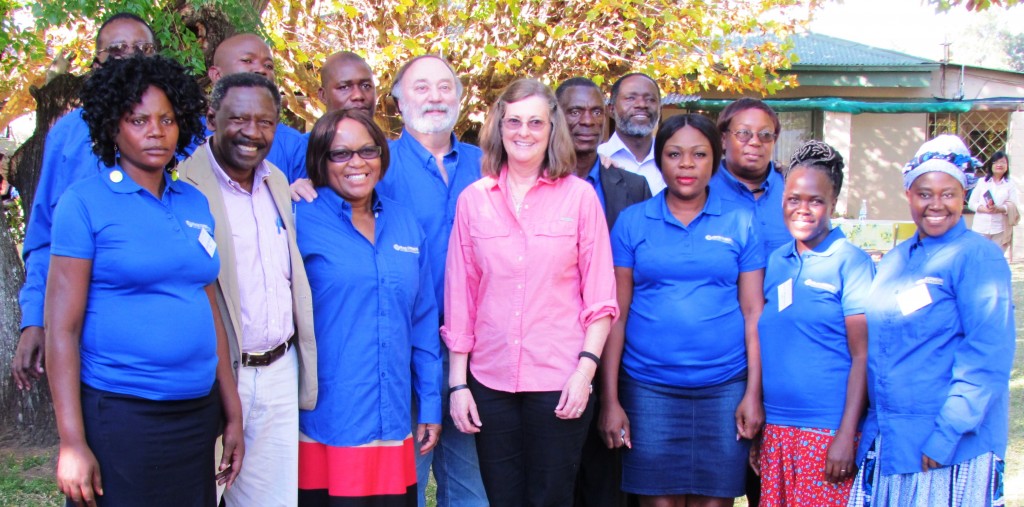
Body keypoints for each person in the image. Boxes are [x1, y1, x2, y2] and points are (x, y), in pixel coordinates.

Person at [45, 54, 243, 507]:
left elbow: (207, 306)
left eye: (167, 119)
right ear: (112, 127)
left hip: (196, 413)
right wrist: (72, 441)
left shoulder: (193, 202)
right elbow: (62, 328)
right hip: (123, 415)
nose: (156, 131)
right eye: (139, 120)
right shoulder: (86, 203)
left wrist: (231, 412)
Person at [444, 78, 618, 507]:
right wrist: (457, 384)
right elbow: (461, 297)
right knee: (502, 500)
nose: (524, 132)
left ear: (551, 128)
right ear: (499, 128)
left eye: (535, 122)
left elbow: (601, 298)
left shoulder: (580, 198)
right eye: (514, 121)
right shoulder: (473, 201)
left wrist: (585, 373)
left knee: (551, 499)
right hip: (490, 380)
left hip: (559, 380)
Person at [601, 113, 764, 507]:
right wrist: (610, 400)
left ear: (716, 159)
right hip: (648, 389)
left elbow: (754, 313)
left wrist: (753, 394)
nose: (687, 165)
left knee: (715, 501)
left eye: (699, 154)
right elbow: (616, 314)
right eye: (675, 154)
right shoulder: (632, 222)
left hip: (724, 387)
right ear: (660, 161)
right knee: (657, 503)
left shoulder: (741, 221)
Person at [176, 72, 318, 507]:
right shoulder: (181, 185)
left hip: (278, 370)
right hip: (217, 375)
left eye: (266, 122)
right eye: (239, 118)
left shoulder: (275, 181)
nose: (252, 133)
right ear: (211, 117)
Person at [849, 135, 1014, 507]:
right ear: (908, 195)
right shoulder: (896, 259)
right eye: (925, 193)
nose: (936, 204)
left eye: (948, 194)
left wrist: (946, 435)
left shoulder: (977, 257)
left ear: (964, 197)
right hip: (892, 439)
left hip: (947, 447)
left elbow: (987, 356)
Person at [295, 108, 442, 506]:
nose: (357, 163)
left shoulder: (406, 222)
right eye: (340, 154)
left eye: (367, 150)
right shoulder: (298, 220)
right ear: (320, 162)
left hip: (392, 419)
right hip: (326, 422)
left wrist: (430, 402)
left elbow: (424, 323)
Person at [13, 12, 158, 391]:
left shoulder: (182, 134)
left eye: (144, 49)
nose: (131, 57)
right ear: (97, 63)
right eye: (117, 49)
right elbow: (45, 236)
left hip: (158, 323)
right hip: (83, 327)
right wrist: (34, 319)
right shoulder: (66, 134)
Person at [377, 54, 488, 507]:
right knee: (402, 487)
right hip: (402, 352)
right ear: (398, 100)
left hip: (477, 357)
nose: (435, 97)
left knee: (471, 493)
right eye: (421, 87)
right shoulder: (374, 163)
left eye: (445, 87)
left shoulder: (489, 163)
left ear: (461, 99)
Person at [752, 141, 873, 506]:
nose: (802, 209)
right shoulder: (776, 261)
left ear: (833, 204)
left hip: (826, 432)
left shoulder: (851, 263)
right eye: (793, 199)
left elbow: (863, 356)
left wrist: (845, 433)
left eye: (815, 200)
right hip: (777, 430)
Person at [555, 76, 650, 507]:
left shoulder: (631, 188)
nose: (587, 121)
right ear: (556, 116)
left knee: (605, 483)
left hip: (614, 352)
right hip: (551, 352)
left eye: (596, 111)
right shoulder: (531, 184)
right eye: (574, 111)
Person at [207, 34, 308, 183]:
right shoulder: (187, 136)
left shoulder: (293, 144)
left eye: (268, 66)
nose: (261, 70)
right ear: (216, 74)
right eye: (247, 61)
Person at [710, 98, 792, 258]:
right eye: (743, 133)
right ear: (723, 139)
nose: (755, 142)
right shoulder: (702, 190)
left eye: (765, 135)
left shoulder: (793, 188)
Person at [597, 73, 664, 194]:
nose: (642, 105)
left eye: (650, 99)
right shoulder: (598, 159)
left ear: (660, 109)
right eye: (630, 98)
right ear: (611, 109)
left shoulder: (672, 160)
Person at [968, 150, 1018, 254]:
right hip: (980, 228)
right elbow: (971, 203)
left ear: (1007, 166)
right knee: (980, 259)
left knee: (994, 260)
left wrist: (999, 209)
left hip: (999, 230)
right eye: (996, 162)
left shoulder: (1010, 184)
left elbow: (1013, 205)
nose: (999, 165)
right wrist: (985, 209)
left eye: (1003, 162)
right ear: (991, 165)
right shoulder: (982, 182)